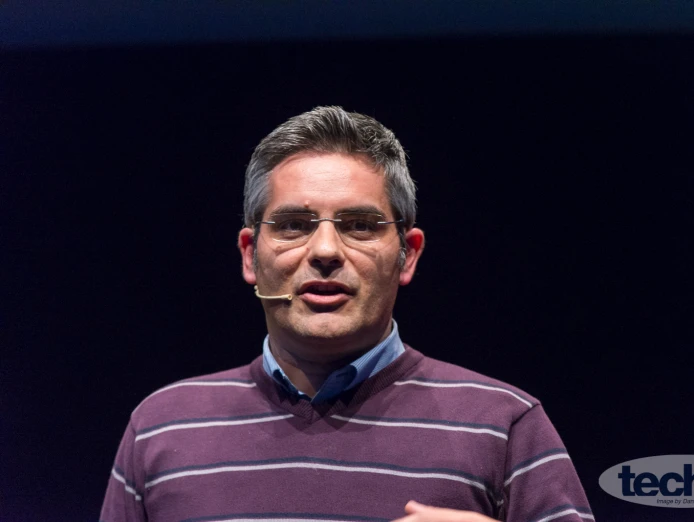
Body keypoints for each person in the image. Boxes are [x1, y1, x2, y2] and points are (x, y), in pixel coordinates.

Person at [100, 106, 593, 522]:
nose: (326, 251)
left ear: (408, 254)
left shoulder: (505, 427)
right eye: (294, 225)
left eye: (359, 225)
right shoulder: (161, 429)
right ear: (251, 254)